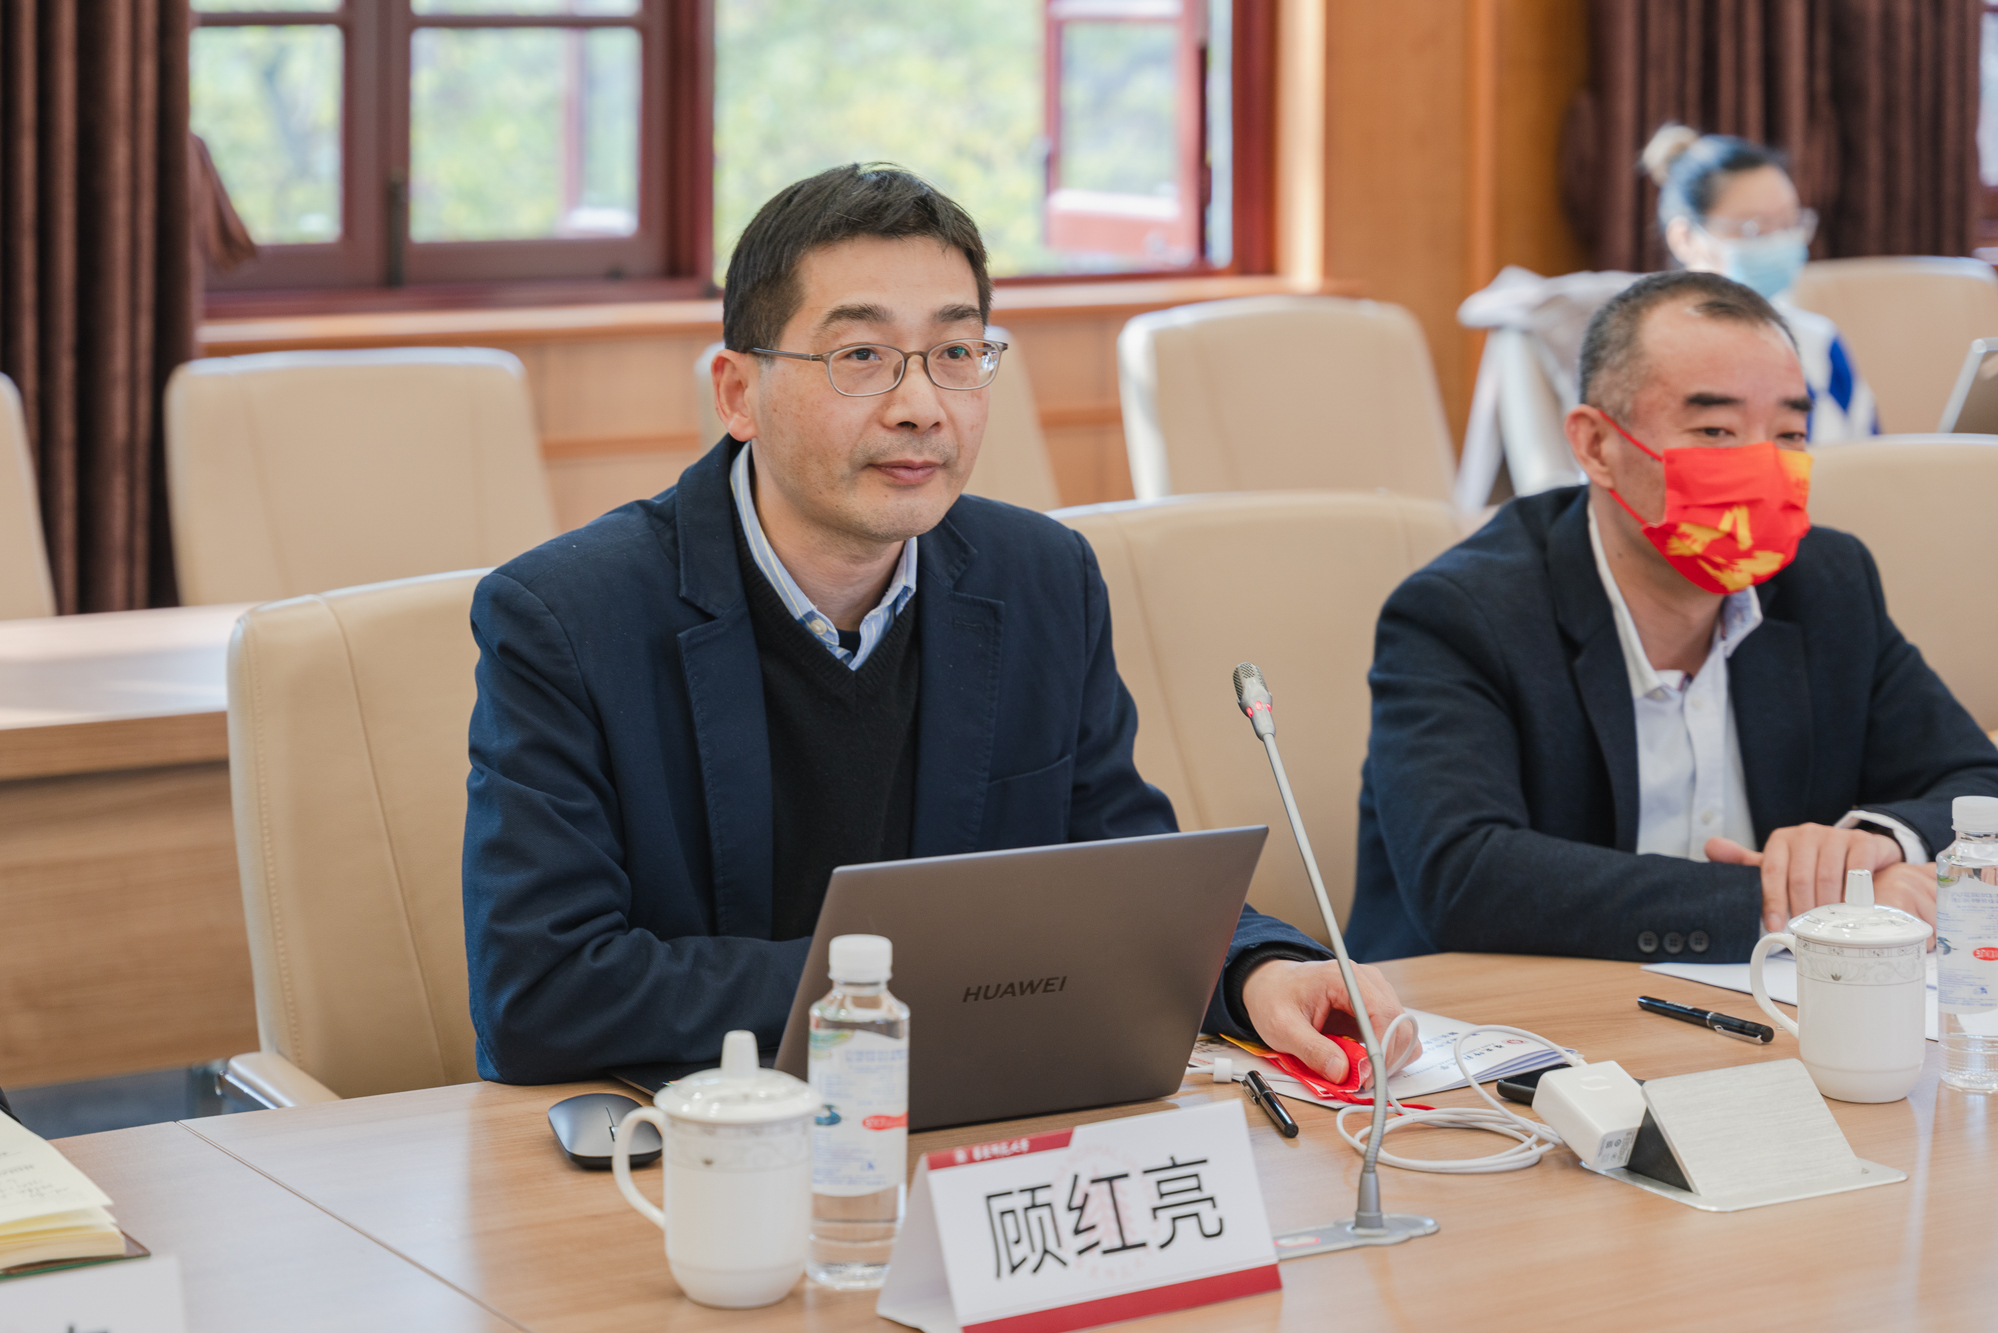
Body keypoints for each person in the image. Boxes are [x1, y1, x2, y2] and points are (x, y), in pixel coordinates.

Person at [462, 163, 1412, 1088]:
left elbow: (1118, 867)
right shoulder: (567, 619)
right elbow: (539, 991)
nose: (921, 407)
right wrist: (912, 981)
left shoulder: (1041, 579)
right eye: (861, 356)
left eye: (956, 354)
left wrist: (1257, 968)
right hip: (702, 1137)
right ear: (738, 392)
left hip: (978, 1128)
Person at [1348, 270, 1998, 963]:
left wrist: (1878, 845)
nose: (1762, 466)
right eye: (1716, 429)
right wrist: (1805, 903)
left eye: (1789, 433)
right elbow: (1466, 878)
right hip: (1498, 1013)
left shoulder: (1827, 582)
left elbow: (1977, 783)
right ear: (1596, 445)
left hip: (1768, 1005)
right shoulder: (1461, 613)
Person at [1645, 123, 1877, 442]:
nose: (1779, 241)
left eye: (1790, 223)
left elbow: (1873, 458)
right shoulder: (1648, 351)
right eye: (1753, 228)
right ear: (1685, 238)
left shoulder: (1819, 342)